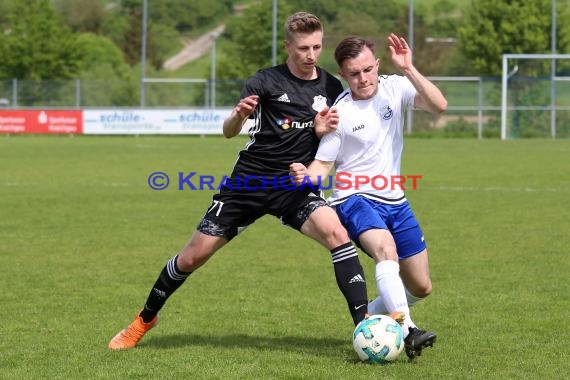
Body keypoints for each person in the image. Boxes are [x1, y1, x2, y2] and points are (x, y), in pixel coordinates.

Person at [108, 12, 370, 350]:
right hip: (247, 185)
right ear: (287, 46)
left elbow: (332, 140)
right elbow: (229, 132)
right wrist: (237, 116)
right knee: (191, 258)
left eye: (317, 47)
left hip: (294, 186)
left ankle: (364, 327)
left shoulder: (332, 87)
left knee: (337, 233)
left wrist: (321, 132)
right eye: (303, 48)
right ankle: (145, 319)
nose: (311, 55)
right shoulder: (265, 81)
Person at [289, 34, 448, 359]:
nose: (362, 78)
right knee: (385, 249)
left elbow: (438, 105)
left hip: (396, 201)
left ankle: (370, 323)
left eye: (367, 70)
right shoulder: (339, 113)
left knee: (421, 286)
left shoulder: (395, 86)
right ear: (343, 75)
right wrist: (306, 175)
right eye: (353, 73)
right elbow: (322, 167)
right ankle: (408, 330)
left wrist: (409, 68)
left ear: (377, 65)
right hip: (353, 198)